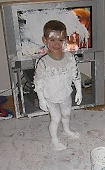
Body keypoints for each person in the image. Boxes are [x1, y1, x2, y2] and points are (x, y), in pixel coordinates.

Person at [34, 20, 82, 151]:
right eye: (52, 40)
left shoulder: (70, 58)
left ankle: (66, 130)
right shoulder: (43, 62)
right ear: (45, 40)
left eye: (60, 40)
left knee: (66, 114)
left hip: (65, 93)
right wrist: (41, 99)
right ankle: (54, 140)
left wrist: (79, 90)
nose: (56, 44)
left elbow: (75, 74)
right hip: (50, 96)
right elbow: (38, 82)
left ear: (65, 40)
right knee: (56, 118)